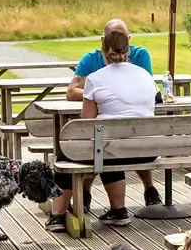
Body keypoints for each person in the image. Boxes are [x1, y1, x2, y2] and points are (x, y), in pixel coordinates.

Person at [47, 27, 157, 231]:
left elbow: (86, 123)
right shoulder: (146, 76)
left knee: (76, 150)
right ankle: (118, 210)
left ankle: (58, 215)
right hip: (146, 151)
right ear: (128, 49)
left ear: (103, 51)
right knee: (106, 148)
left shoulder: (96, 78)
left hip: (111, 149)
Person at [68, 19, 162, 205]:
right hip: (146, 146)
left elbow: (87, 120)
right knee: (114, 138)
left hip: (112, 142)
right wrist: (105, 94)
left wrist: (97, 95)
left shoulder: (99, 76)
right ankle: (132, 197)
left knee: (98, 142)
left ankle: (98, 201)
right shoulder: (138, 71)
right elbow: (71, 92)